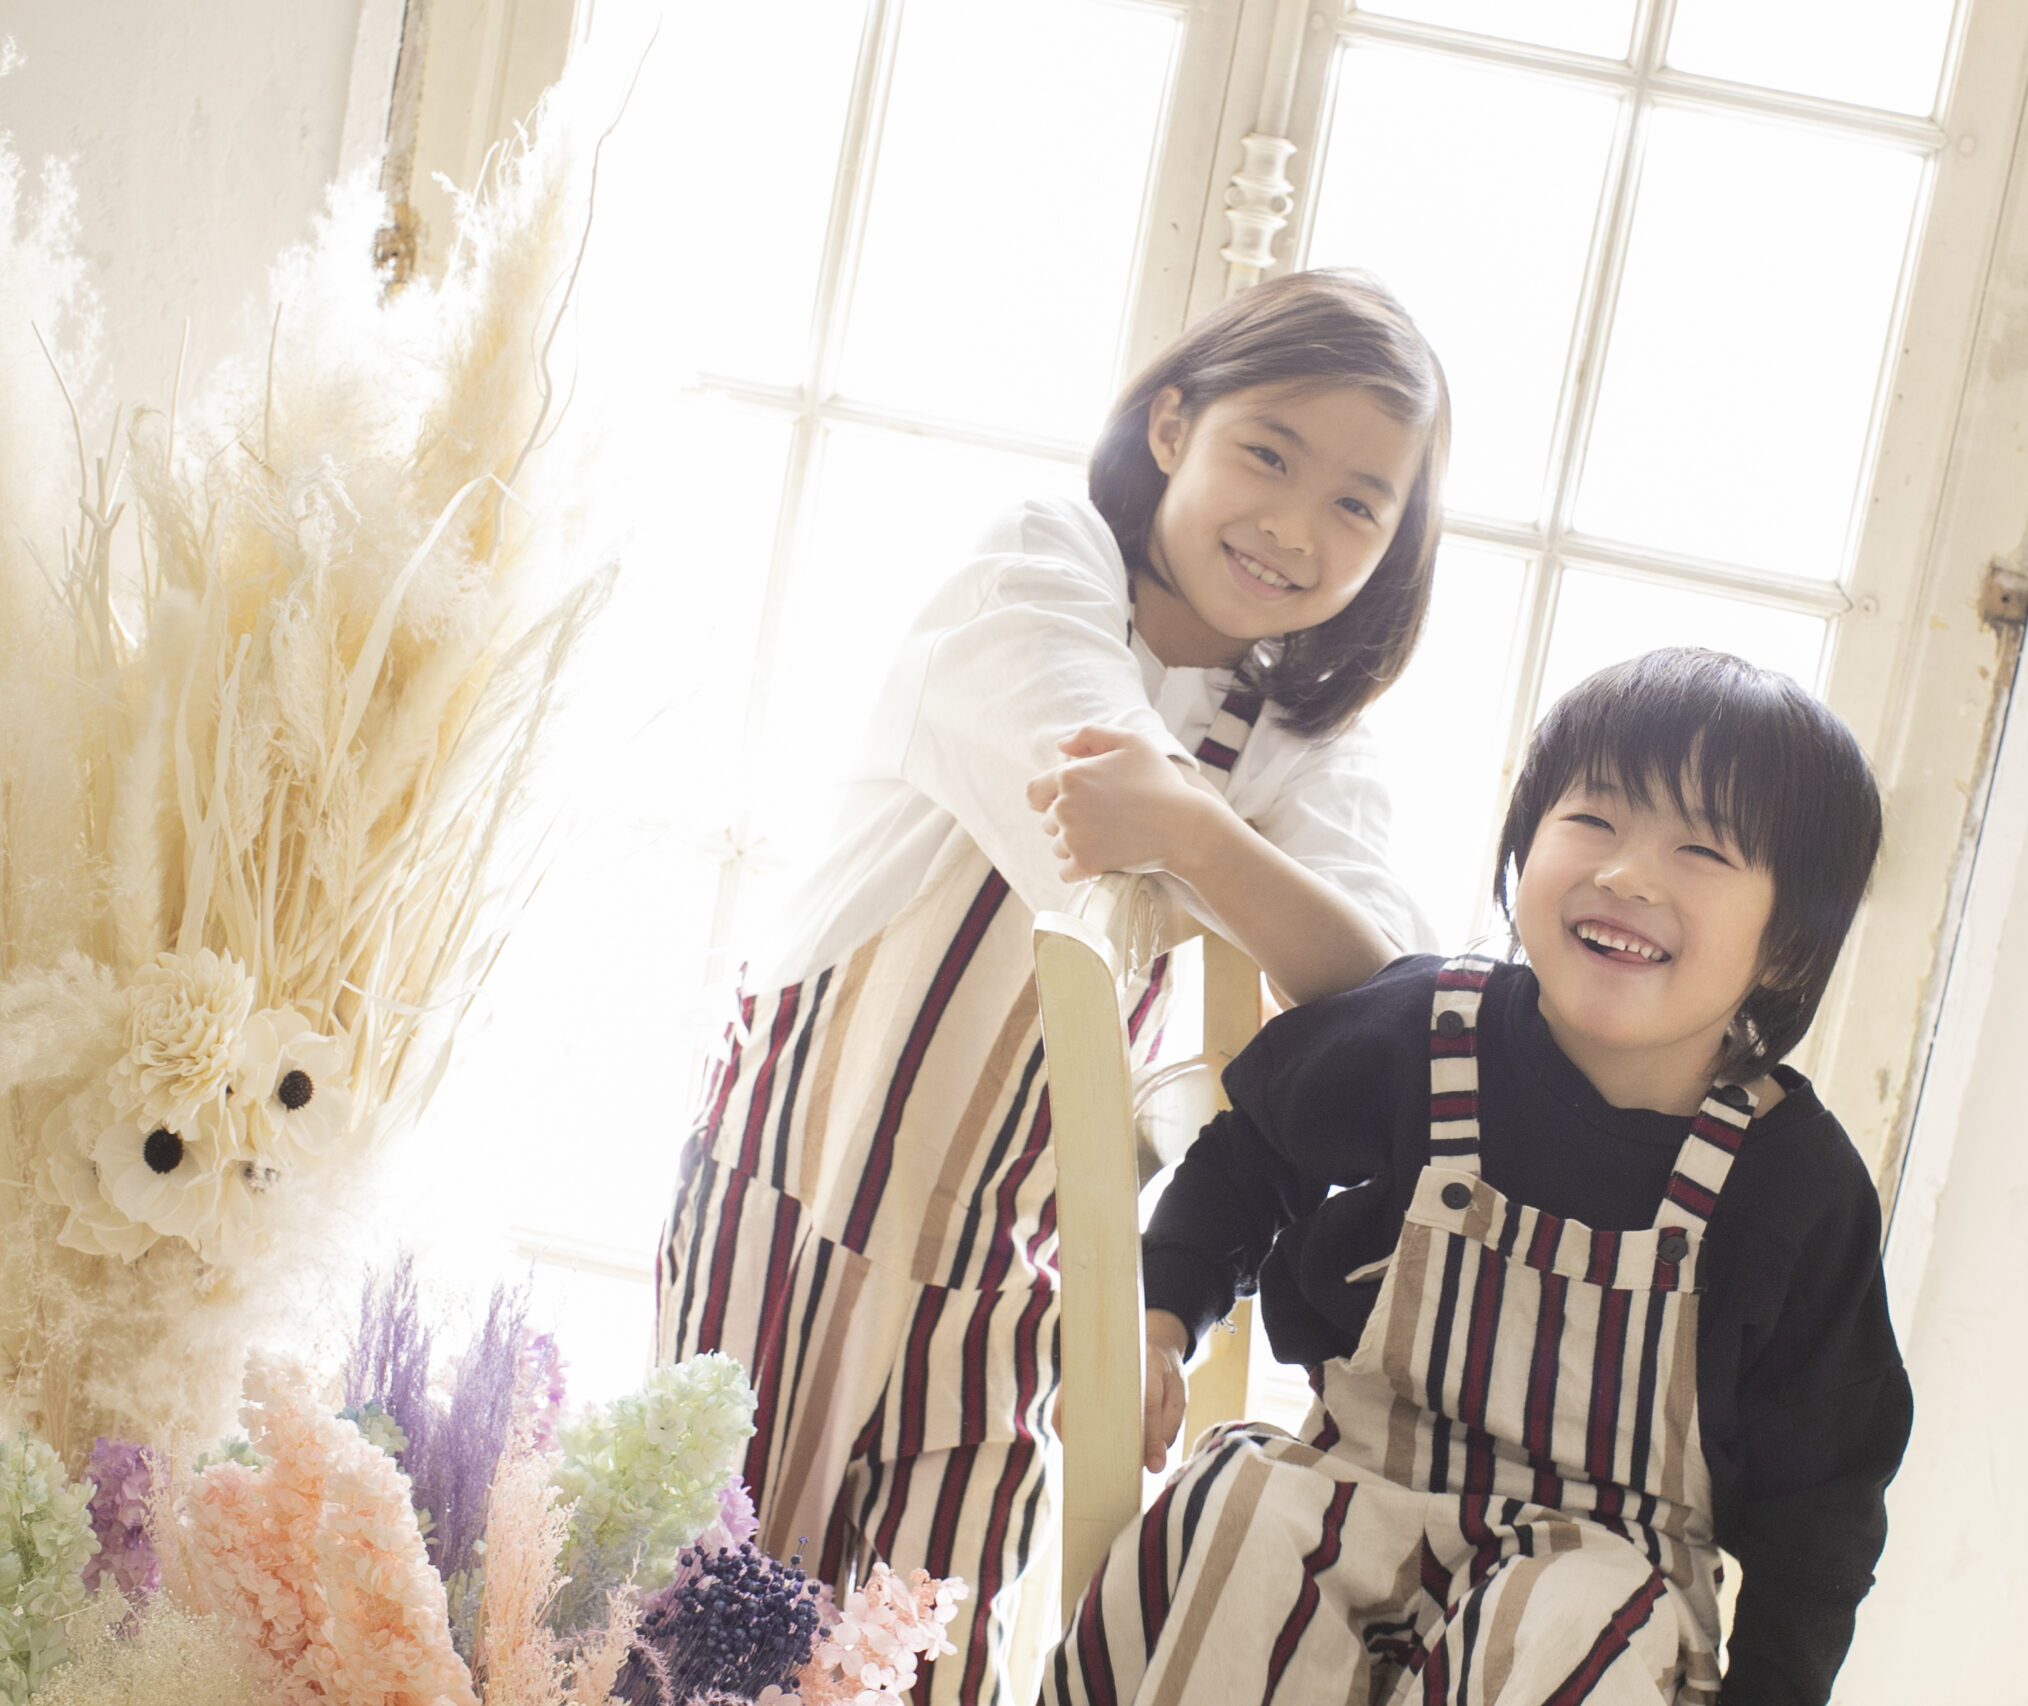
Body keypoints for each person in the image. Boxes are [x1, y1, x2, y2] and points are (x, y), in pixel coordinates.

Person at [656, 270, 1452, 1705]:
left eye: (1357, 502)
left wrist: (1193, 828)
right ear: (1172, 426)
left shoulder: (1306, 743)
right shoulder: (1036, 562)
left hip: (1013, 1264)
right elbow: (1089, 809)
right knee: (688, 1614)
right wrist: (1231, 859)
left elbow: (1384, 1011)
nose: (1293, 526)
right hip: (793, 1181)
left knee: (922, 1652)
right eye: (1268, 453)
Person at [1049, 647, 1912, 1706]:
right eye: (1593, 818)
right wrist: (1160, 1321)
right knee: (1231, 1513)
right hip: (1354, 1495)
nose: (1628, 874)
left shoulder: (1792, 1184)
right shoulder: (1427, 1031)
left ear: (1786, 947)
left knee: (1562, 1613)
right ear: (1524, 842)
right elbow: (1252, 1156)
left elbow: (1824, 1498)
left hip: (1605, 1586)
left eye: (1701, 849)